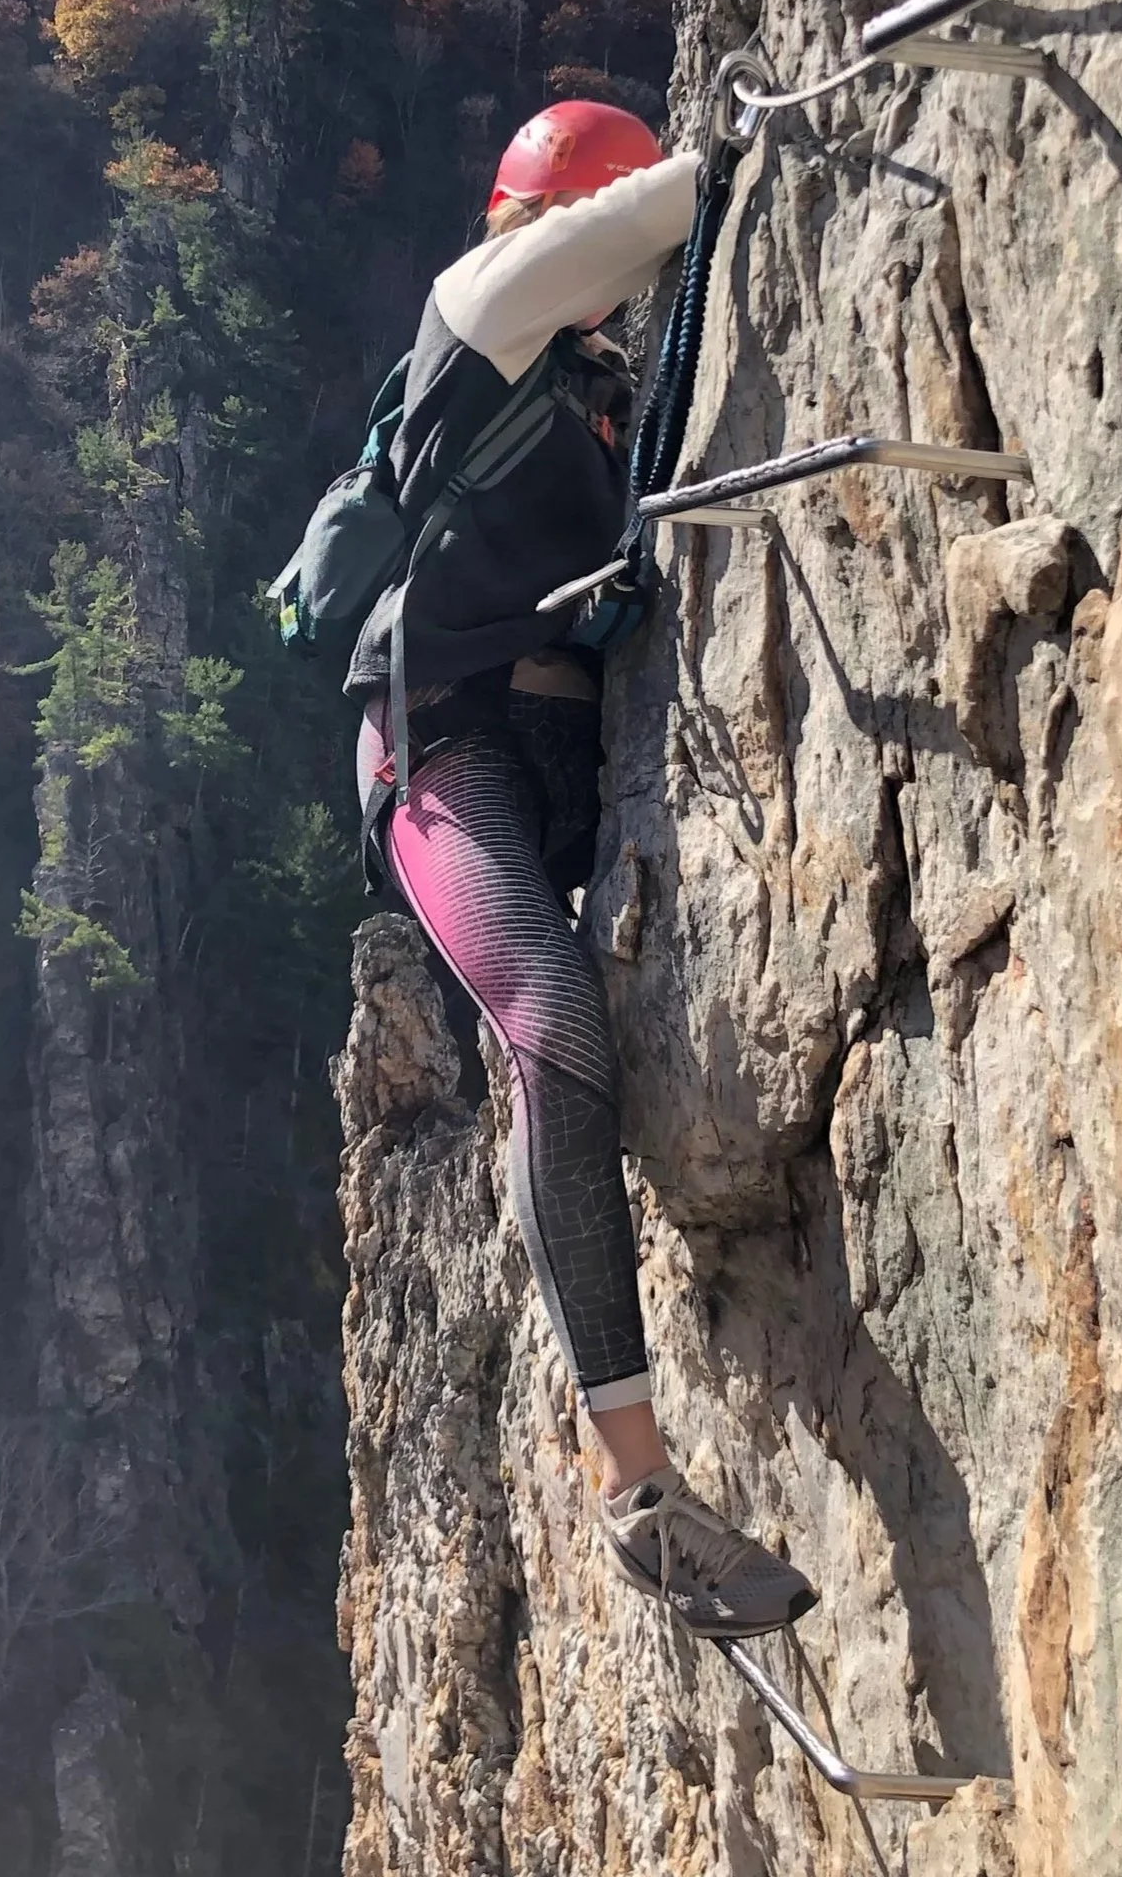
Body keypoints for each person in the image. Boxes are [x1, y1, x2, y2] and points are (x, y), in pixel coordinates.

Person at [347, 99, 818, 1641]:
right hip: (445, 750)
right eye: (561, 225)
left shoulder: (605, 380)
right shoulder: (472, 315)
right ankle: (641, 1497)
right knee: (550, 1025)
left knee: (586, 1033)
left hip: (559, 768)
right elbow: (642, 219)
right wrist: (750, 134)